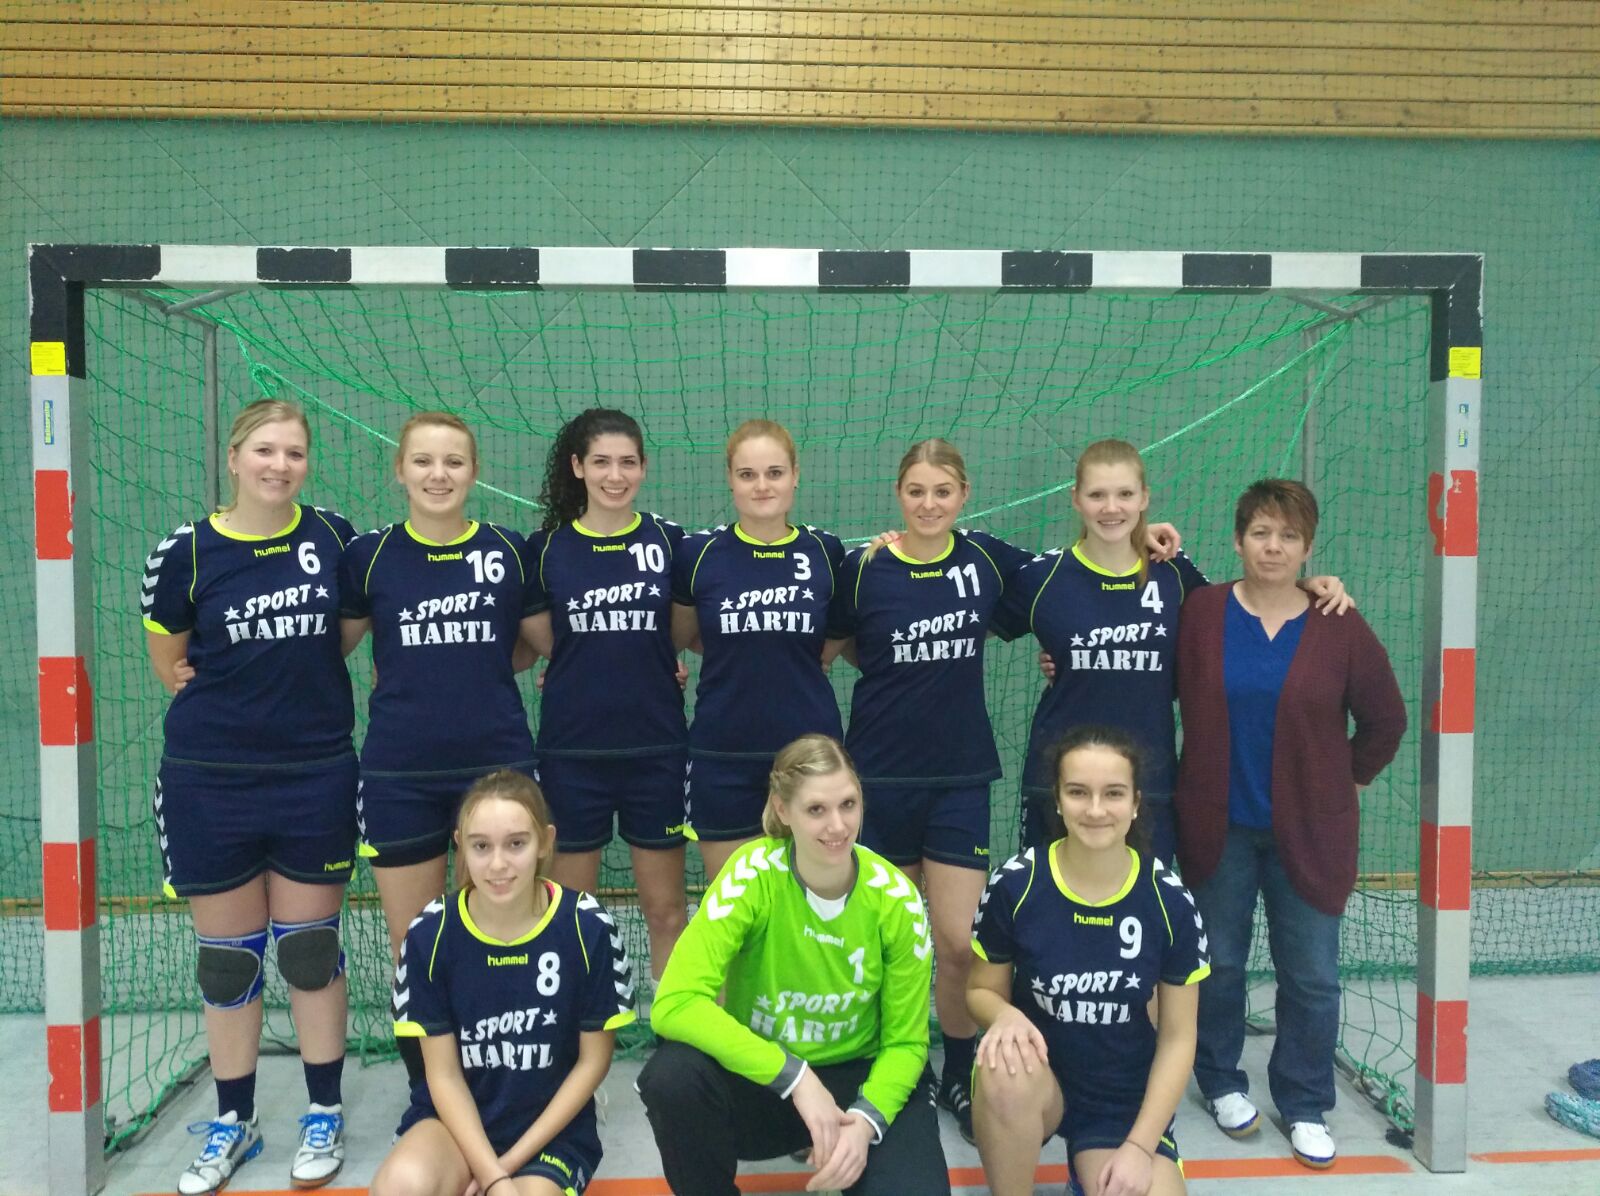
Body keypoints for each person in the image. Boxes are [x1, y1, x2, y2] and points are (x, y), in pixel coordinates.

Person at [142, 399, 359, 1193]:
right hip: (212, 780)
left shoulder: (334, 538)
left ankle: (324, 1110)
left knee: (309, 950)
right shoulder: (184, 553)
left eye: (294, 452)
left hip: (313, 773)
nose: (280, 465)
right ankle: (233, 1121)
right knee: (229, 963)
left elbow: (340, 637)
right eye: (265, 450)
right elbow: (171, 664)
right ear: (234, 457)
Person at [1173, 478, 1405, 1169]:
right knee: (1218, 966)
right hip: (1216, 827)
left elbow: (1386, 719)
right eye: (1261, 533)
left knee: (1311, 976)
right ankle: (1220, 1081)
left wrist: (1344, 779)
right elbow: (1148, 679)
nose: (1273, 547)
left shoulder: (1338, 623)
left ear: (1308, 547)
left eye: (1289, 536)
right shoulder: (1202, 612)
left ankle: (1304, 1102)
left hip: (1311, 834)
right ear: (1238, 540)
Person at [996, 440, 1351, 865]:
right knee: (1050, 901)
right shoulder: (1043, 577)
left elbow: (1243, 608)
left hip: (1150, 784)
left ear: (1144, 497)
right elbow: (968, 619)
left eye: (1125, 494)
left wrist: (1302, 588)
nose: (1111, 507)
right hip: (1058, 783)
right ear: (1076, 499)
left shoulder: (1173, 573)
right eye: (1097, 495)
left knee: (1146, 902)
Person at [828, 438, 1033, 1142]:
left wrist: (1151, 541)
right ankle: (882, 1068)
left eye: (942, 491)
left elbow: (1070, 580)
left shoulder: (986, 562)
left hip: (957, 780)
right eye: (916, 490)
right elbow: (829, 646)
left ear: (963, 494)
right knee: (881, 942)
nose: (928, 503)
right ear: (898, 494)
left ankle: (959, 1070)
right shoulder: (864, 569)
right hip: (877, 779)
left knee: (954, 942)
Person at [637, 735, 950, 1196]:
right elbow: (674, 1003)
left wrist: (866, 1121)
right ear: (782, 810)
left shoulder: (896, 900)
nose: (838, 826)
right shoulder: (751, 877)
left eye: (848, 804)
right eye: (816, 809)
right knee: (672, 1078)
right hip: (768, 1081)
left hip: (861, 1077)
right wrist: (796, 1077)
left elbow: (906, 1042)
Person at [338, 411, 542, 1091]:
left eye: (454, 462)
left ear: (474, 472)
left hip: (498, 770)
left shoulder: (508, 551)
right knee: (416, 940)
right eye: (423, 461)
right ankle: (431, 1090)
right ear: (399, 470)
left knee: (502, 931)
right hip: (400, 772)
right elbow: (328, 647)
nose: (438, 474)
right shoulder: (369, 557)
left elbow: (532, 646)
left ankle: (507, 1081)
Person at [370, 769, 636, 1196]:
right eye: (481, 846)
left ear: (545, 841)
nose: (497, 864)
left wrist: (504, 1170)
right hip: (453, 1125)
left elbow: (593, 1063)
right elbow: (443, 1076)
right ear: (460, 845)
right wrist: (491, 1174)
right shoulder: (430, 934)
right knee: (399, 1186)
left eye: (516, 844)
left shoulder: (587, 927)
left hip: (549, 1133)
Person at [969, 725, 1209, 1196]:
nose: (1095, 810)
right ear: (1058, 800)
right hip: (1036, 1080)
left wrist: (1138, 1148)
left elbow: (1179, 1037)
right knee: (1002, 1068)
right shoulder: (1016, 884)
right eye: (1078, 792)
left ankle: (1090, 1170)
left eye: (1113, 793)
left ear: (1136, 802)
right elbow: (979, 991)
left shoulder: (1169, 900)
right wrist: (1004, 1015)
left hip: (1120, 1099)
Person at [522, 408, 689, 982]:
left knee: (667, 913)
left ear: (643, 467)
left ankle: (674, 1031)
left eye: (627, 463)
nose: (615, 476)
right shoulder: (545, 549)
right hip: (573, 756)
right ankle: (581, 1026)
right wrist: (584, 663)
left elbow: (679, 632)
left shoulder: (671, 543)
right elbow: (548, 643)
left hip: (657, 753)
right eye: (601, 462)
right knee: (571, 915)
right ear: (578, 467)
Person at [670, 420, 849, 883]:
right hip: (723, 755)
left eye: (774, 472)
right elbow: (683, 636)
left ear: (795, 475)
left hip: (810, 756)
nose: (762, 485)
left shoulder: (826, 552)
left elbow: (836, 637)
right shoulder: (699, 554)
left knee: (811, 905)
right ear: (730, 479)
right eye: (747, 474)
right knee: (733, 907)